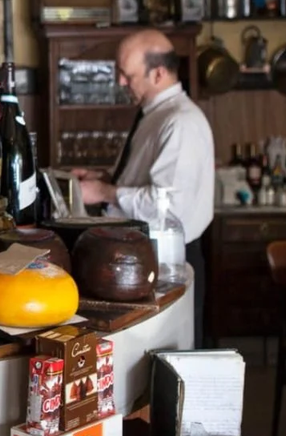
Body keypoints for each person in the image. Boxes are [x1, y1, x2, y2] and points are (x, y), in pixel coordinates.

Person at [75, 28, 214, 347]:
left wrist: (103, 193)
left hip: (169, 259)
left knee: (166, 360)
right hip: (146, 254)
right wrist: (104, 178)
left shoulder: (180, 123)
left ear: (159, 73)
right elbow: (145, 179)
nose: (121, 82)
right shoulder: (156, 115)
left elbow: (168, 207)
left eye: (128, 74)